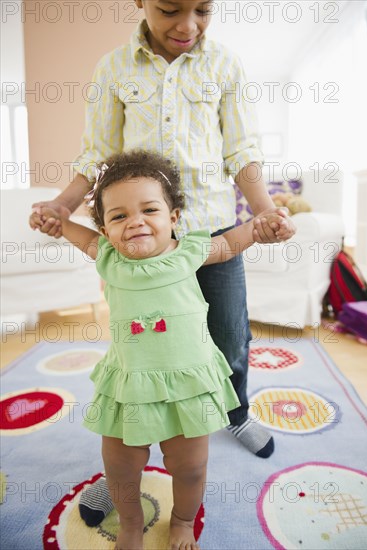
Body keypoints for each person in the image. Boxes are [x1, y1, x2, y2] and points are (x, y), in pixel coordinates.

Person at [29, 0, 296, 527]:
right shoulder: (113, 67)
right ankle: (126, 462)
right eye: (171, 9)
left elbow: (240, 148)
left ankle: (234, 414)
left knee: (227, 334)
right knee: (138, 348)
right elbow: (96, 152)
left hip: (211, 229)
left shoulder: (225, 64)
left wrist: (263, 211)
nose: (188, 26)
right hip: (140, 238)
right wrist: (63, 204)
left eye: (203, 10)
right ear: (141, 3)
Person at [38, 150, 294, 550]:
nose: (135, 221)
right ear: (104, 229)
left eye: (149, 210)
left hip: (186, 387)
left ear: (173, 218)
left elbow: (230, 243)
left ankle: (181, 521)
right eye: (118, 216)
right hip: (130, 388)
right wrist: (56, 218)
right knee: (121, 469)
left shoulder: (189, 251)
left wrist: (262, 224)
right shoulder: (107, 256)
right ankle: (130, 525)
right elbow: (72, 231)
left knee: (190, 469)